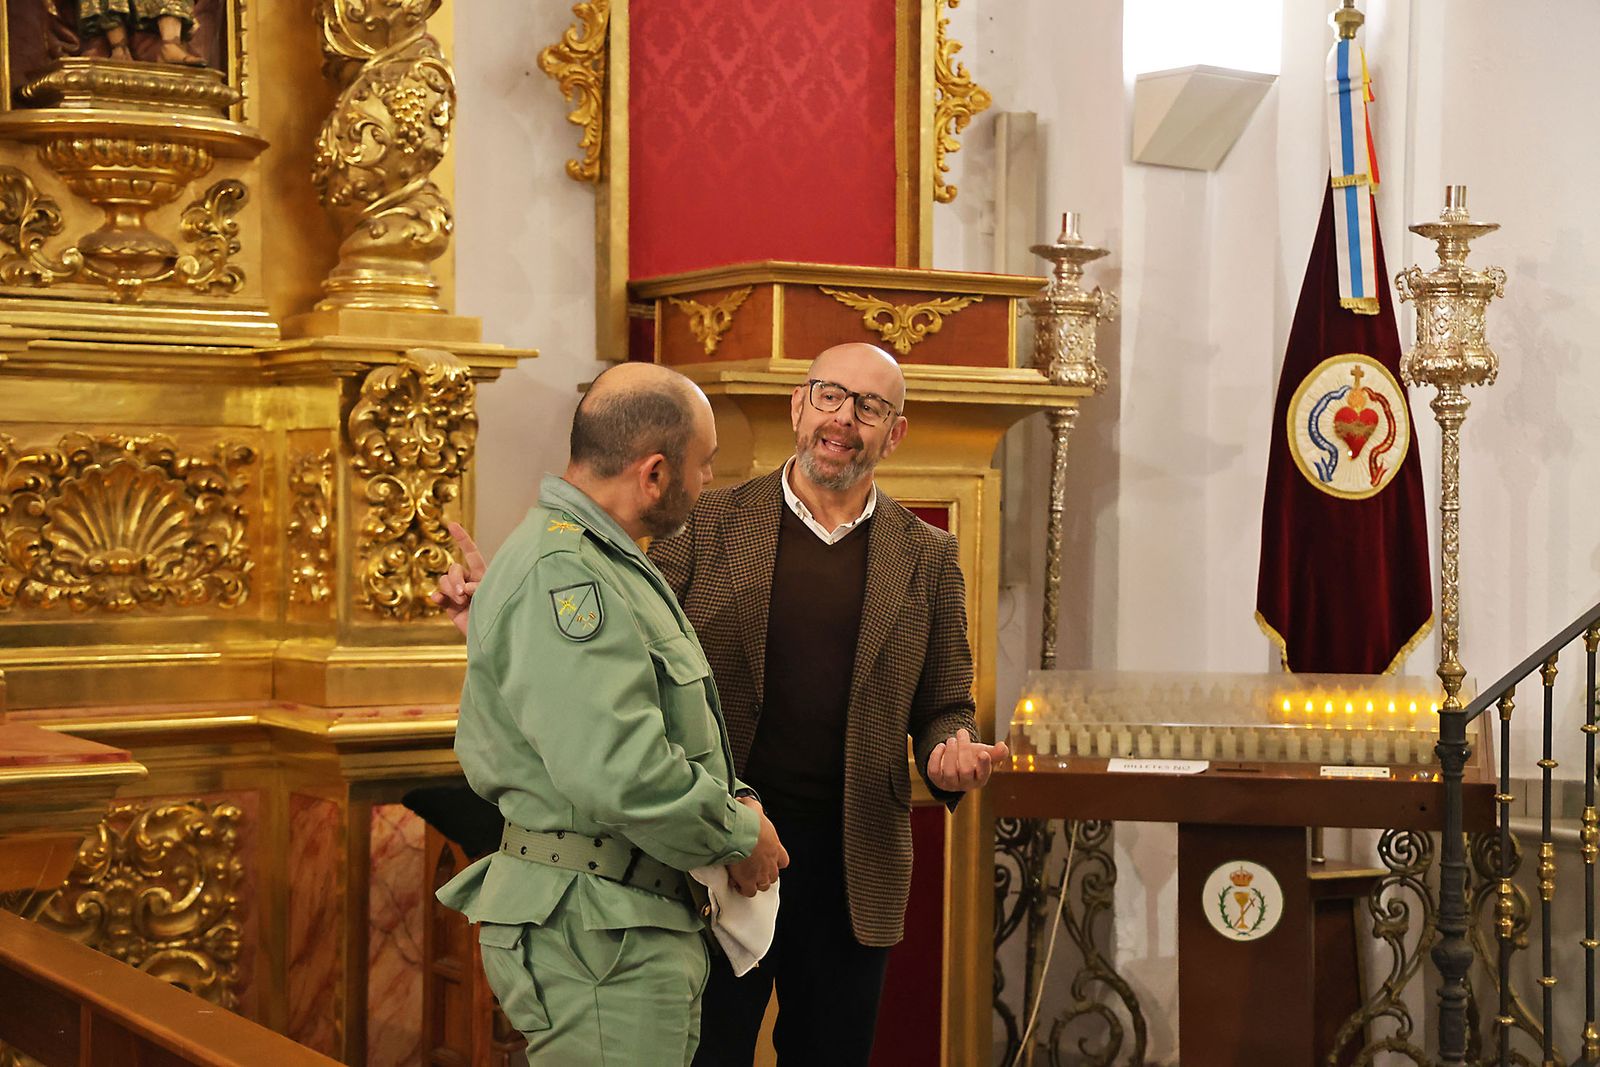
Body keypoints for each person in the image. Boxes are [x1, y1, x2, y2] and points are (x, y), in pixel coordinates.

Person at [435, 343, 1008, 1066]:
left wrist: (949, 747)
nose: (843, 419)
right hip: (707, 853)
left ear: (893, 432)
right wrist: (505, 610)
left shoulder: (927, 553)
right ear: (799, 405)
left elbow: (946, 699)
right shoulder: (702, 521)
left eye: (869, 407)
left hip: (850, 865)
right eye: (830, 395)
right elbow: (602, 651)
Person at [435, 361, 789, 1067]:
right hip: (601, 931)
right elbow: (619, 768)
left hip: (619, 918)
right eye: (704, 463)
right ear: (655, 472)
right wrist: (736, 831)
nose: (709, 479)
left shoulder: (600, 561)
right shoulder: (568, 570)